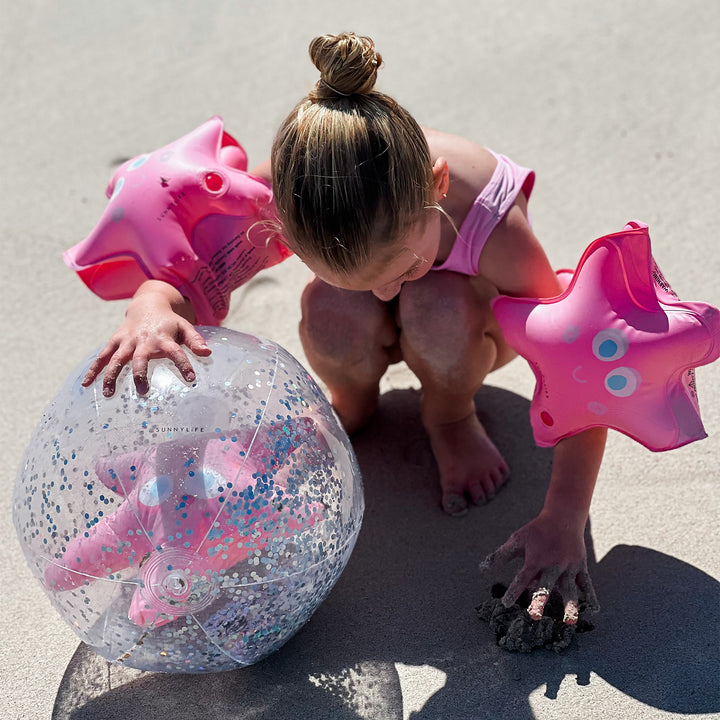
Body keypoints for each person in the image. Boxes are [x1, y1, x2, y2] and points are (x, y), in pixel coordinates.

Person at [79, 32, 605, 625]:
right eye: (367, 281)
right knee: (334, 310)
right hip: (386, 283)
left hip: (469, 320)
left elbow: (577, 369)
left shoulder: (493, 224)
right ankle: (353, 401)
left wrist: (564, 520)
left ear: (436, 186)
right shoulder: (292, 195)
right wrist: (151, 306)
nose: (388, 294)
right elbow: (189, 273)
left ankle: (450, 414)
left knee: (434, 303)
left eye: (402, 266)